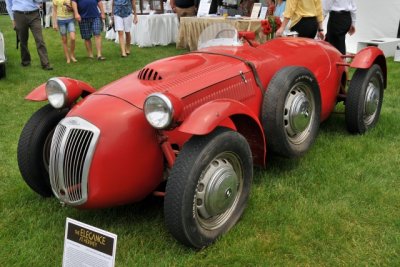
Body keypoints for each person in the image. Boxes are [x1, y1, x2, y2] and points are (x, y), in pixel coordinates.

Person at [5, 0, 53, 70]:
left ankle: (45, 64)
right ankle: (25, 61)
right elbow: (8, 5)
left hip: (34, 14)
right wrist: (13, 20)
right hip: (19, 15)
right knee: (23, 40)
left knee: (40, 39)